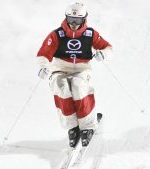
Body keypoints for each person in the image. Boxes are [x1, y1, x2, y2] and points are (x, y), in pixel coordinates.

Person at [36, 2, 112, 148]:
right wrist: (43, 66)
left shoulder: (90, 34)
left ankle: (88, 125)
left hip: (81, 70)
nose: (74, 24)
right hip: (60, 68)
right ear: (66, 18)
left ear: (84, 19)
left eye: (77, 20)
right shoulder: (57, 34)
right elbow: (43, 53)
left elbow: (108, 47)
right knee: (60, 86)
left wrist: (103, 54)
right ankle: (72, 126)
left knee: (78, 86)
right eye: (71, 19)